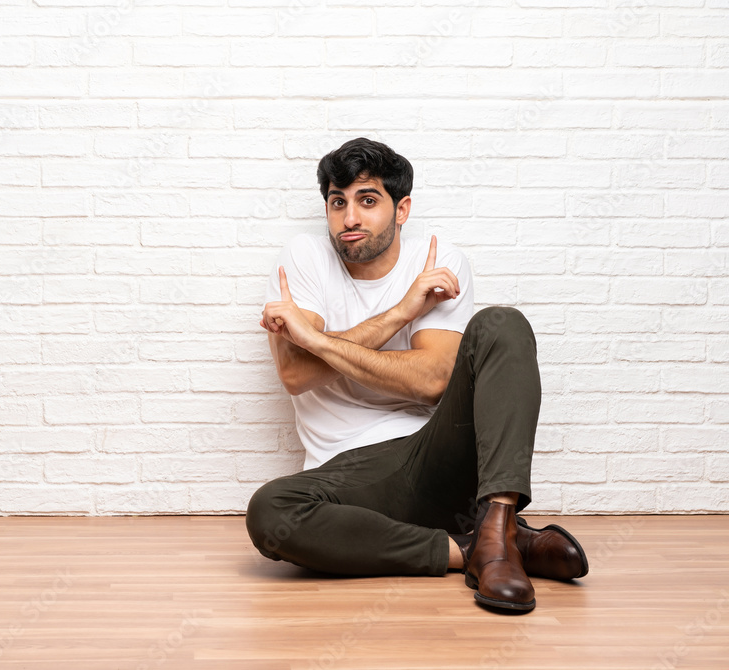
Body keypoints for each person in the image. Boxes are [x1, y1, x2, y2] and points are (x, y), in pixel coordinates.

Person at [245, 137, 588, 613]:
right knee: (270, 511)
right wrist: (401, 312)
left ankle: (498, 518)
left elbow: (431, 381)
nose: (349, 219)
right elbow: (297, 373)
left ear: (401, 208)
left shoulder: (436, 259)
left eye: (368, 201)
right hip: (350, 478)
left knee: (502, 324)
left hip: (432, 457)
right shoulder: (303, 257)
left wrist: (320, 339)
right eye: (336, 202)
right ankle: (484, 546)